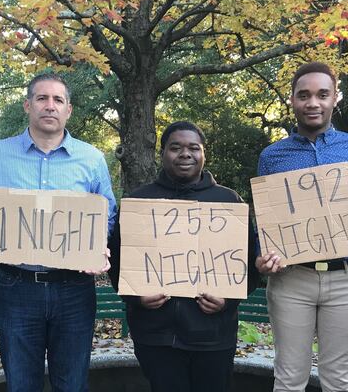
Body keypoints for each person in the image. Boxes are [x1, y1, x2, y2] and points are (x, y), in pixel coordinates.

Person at [0, 73, 117, 392]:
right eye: (42, 99)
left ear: (69, 110)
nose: (50, 106)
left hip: (74, 287)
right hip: (17, 287)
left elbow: (107, 211)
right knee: (21, 383)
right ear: (28, 105)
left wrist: (97, 244)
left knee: (72, 384)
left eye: (58, 100)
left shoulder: (91, 159)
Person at [108, 121, 282, 392]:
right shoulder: (138, 202)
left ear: (204, 154)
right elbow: (118, 264)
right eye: (175, 147)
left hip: (213, 336)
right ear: (163, 153)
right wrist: (136, 297)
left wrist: (227, 301)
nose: (185, 154)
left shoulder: (229, 202)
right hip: (155, 335)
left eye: (193, 148)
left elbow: (249, 266)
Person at [255, 61, 348, 392]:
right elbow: (265, 222)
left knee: (339, 379)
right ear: (292, 100)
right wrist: (263, 257)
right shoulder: (273, 156)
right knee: (288, 377)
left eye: (322, 94)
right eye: (304, 95)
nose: (312, 102)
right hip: (292, 281)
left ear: (336, 98)